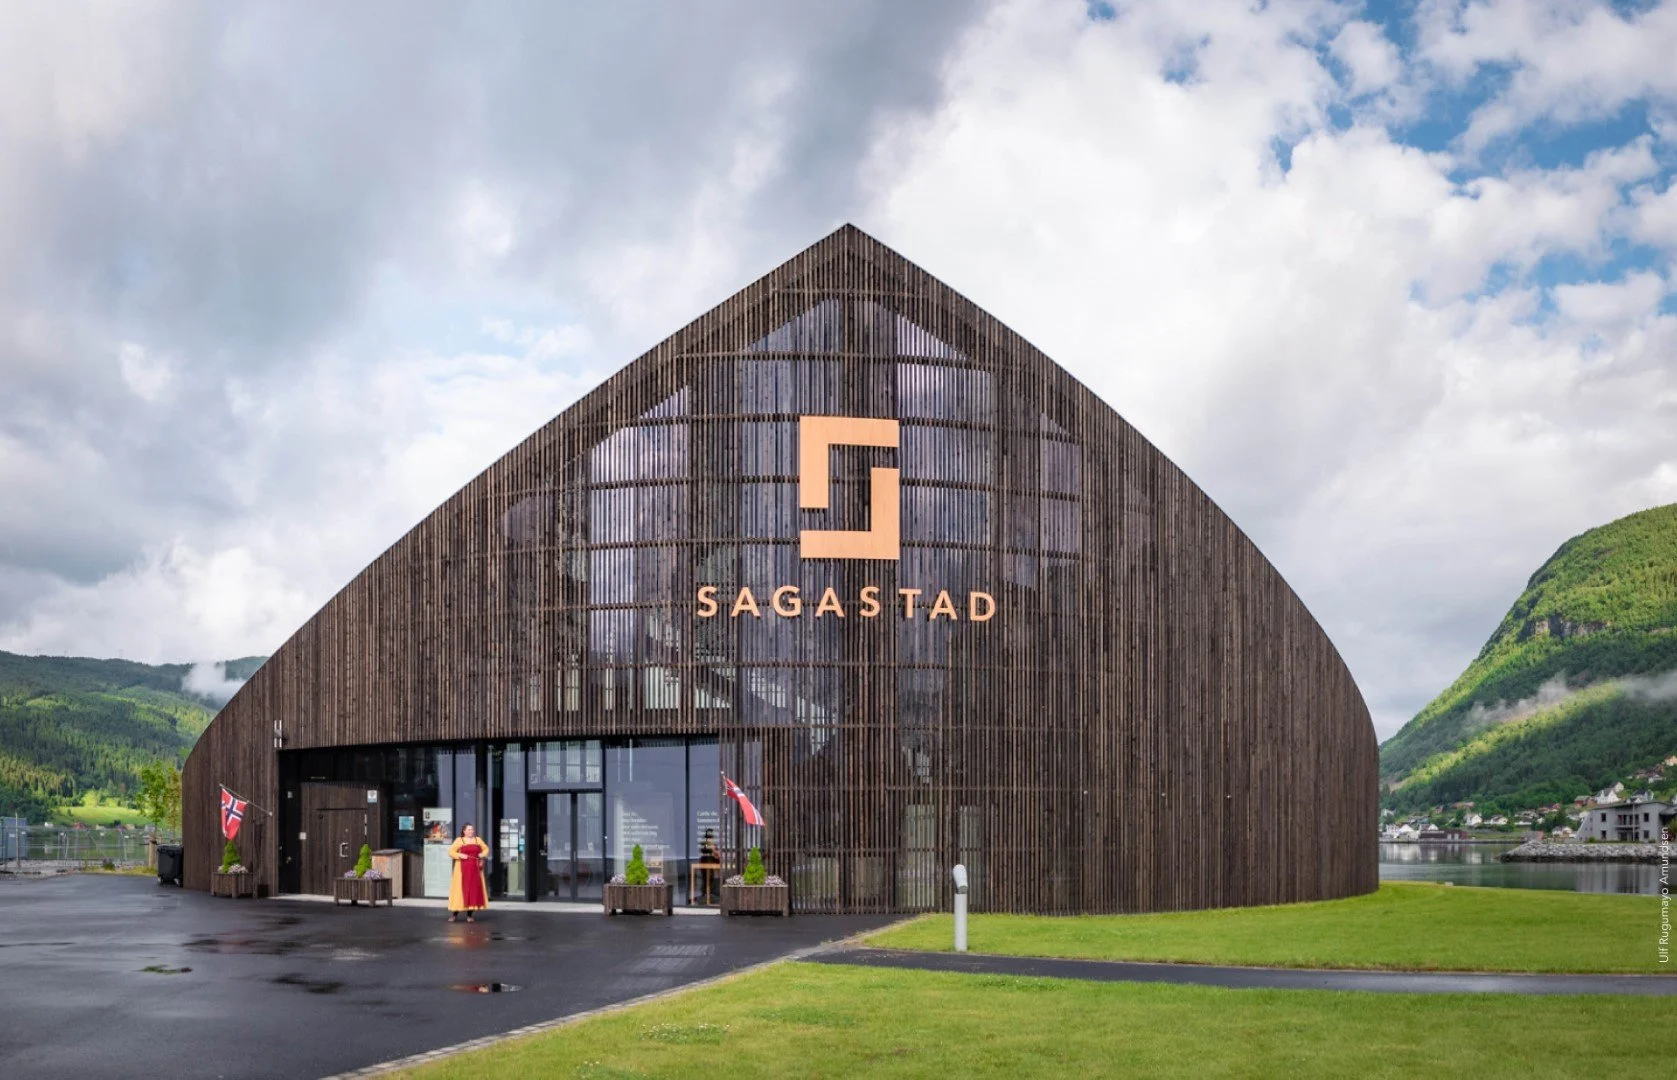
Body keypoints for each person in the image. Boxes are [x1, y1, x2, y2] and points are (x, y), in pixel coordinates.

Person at [448, 823, 490, 923]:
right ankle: (454, 915)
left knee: (473, 891)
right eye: (469, 829)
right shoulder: (459, 840)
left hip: (475, 870)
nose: (471, 831)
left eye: (472, 829)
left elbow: (486, 849)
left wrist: (481, 854)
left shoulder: (478, 840)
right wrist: (460, 855)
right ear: (464, 831)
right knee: (460, 891)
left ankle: (469, 915)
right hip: (461, 870)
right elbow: (451, 852)